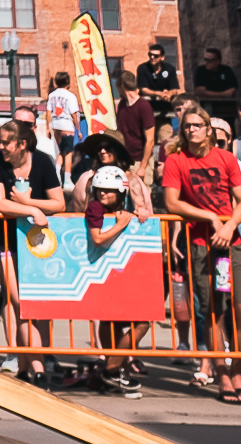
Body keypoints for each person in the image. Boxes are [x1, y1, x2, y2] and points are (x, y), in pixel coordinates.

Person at [161, 104, 241, 400]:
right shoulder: (176, 160)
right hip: (200, 245)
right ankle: (222, 374)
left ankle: (238, 369)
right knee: (213, 311)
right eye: (187, 126)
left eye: (197, 125)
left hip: (231, 244)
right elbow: (172, 203)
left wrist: (228, 225)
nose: (191, 130)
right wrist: (209, 217)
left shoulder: (226, 158)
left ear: (209, 130)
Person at [0, 119, 63, 383]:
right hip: (4, 240)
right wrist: (32, 210)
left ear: (21, 143)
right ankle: (39, 369)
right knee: (22, 304)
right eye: (0, 141)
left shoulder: (42, 161)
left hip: (35, 244)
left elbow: (59, 203)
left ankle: (23, 364)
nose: (1, 146)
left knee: (36, 305)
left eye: (6, 141)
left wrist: (29, 202)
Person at [81, 165, 145, 398]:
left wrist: (140, 214)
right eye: (99, 190)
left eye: (108, 191)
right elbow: (97, 238)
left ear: (120, 192)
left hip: (121, 271)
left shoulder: (122, 206)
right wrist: (121, 224)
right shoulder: (96, 207)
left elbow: (139, 216)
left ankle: (113, 370)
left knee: (125, 323)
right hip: (104, 271)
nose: (102, 194)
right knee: (131, 323)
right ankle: (111, 370)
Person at [115, 69, 157, 181]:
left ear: (121, 85)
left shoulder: (144, 106)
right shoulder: (122, 104)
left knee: (142, 197)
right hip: (124, 162)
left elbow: (150, 140)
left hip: (140, 162)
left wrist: (143, 167)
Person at [194, 48, 239, 131]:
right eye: (205, 60)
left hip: (227, 109)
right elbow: (200, 91)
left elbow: (233, 90)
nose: (206, 63)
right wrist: (223, 94)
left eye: (209, 60)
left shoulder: (226, 70)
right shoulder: (201, 71)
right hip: (208, 109)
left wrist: (208, 92)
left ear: (218, 61)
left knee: (229, 130)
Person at [137, 44, 181, 121]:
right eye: (150, 55)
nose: (152, 57)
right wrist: (159, 93)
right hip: (147, 110)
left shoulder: (170, 68)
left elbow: (175, 89)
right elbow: (143, 90)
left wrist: (169, 93)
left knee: (165, 132)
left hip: (165, 110)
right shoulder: (143, 68)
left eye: (155, 56)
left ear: (162, 57)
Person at [44, 73, 80, 163]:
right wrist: (78, 129)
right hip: (67, 125)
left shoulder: (52, 95)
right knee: (68, 152)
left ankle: (57, 171)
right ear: (68, 82)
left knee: (60, 151)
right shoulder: (70, 96)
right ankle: (67, 176)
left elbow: (48, 112)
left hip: (56, 125)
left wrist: (48, 128)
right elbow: (73, 114)